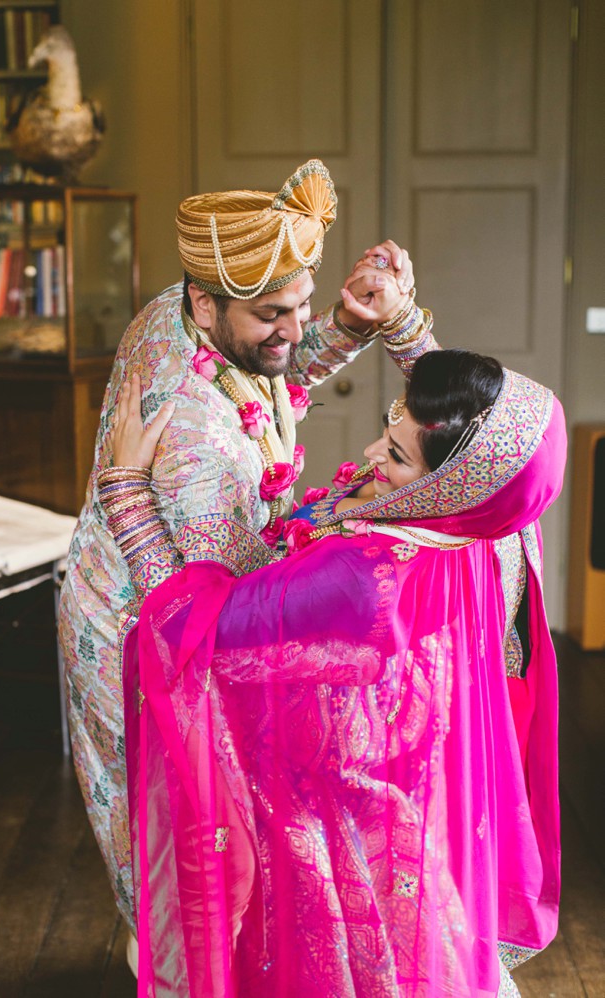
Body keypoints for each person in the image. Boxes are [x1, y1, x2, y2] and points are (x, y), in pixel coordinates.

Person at [100, 286, 566, 996]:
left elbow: (194, 633)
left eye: (402, 458)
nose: (378, 450)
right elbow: (475, 429)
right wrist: (403, 326)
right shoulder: (487, 523)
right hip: (392, 784)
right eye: (391, 420)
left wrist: (127, 492)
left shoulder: (364, 574)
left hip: (323, 810)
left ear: (445, 487)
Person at [57, 157, 423, 929]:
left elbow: (266, 371)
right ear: (204, 300)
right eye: (273, 313)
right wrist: (331, 543)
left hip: (127, 582)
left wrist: (348, 327)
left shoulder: (185, 310)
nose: (294, 328)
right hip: (138, 630)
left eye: (304, 306)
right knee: (184, 848)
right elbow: (214, 613)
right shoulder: (198, 444)